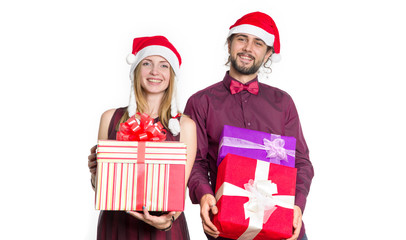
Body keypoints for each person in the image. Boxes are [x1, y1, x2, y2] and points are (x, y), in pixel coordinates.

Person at [184, 12, 314, 240]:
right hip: (227, 224)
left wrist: (297, 206)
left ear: (268, 54)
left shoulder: (283, 102)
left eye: (258, 42)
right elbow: (195, 161)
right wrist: (204, 196)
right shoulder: (200, 102)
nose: (248, 48)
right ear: (229, 44)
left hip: (283, 227)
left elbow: (301, 161)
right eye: (241, 39)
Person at [88, 35, 196, 240]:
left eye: (164, 65)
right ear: (136, 70)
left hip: (164, 232)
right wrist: (96, 173)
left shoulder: (184, 126)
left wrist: (168, 222)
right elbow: (101, 188)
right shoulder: (110, 118)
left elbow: (178, 192)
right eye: (147, 63)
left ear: (172, 75)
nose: (155, 71)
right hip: (117, 227)